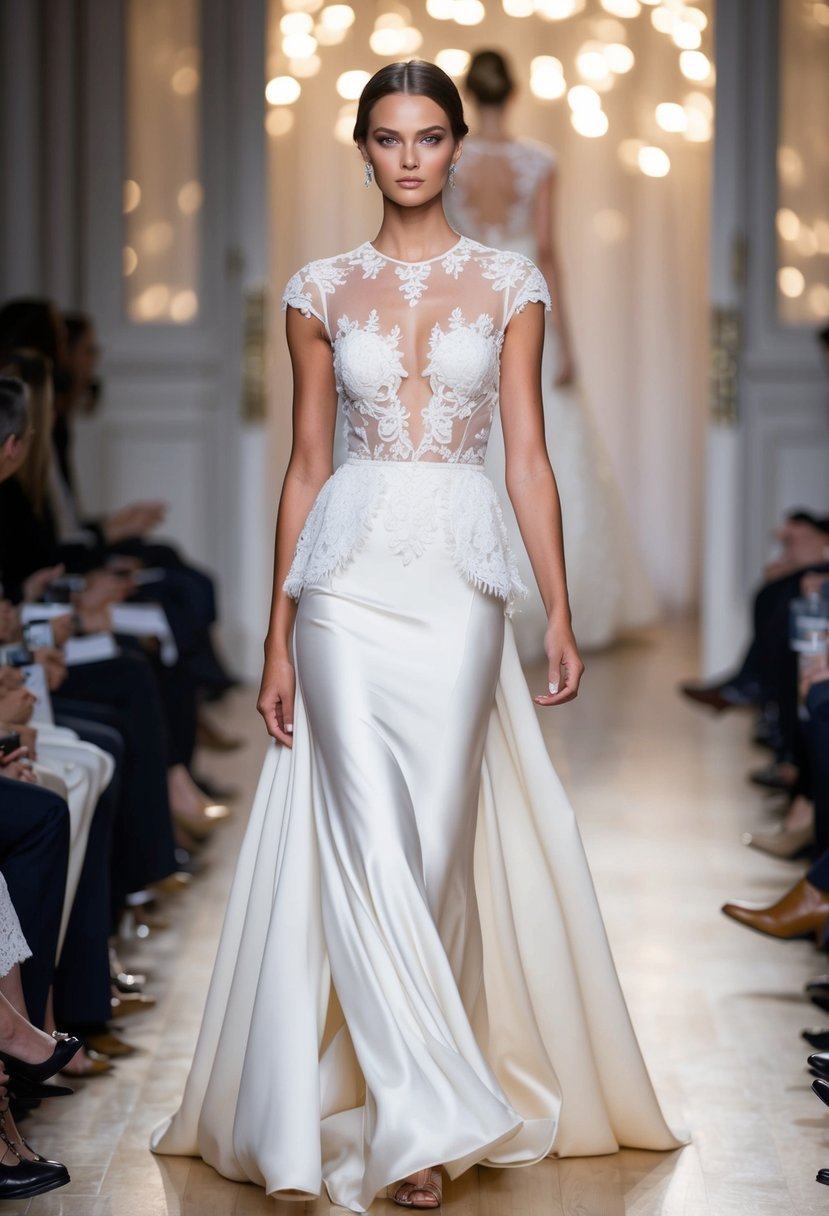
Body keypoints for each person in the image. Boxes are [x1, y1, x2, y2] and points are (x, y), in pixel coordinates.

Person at [151, 61, 680, 1211]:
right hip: (345, 575)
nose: (408, 157)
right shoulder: (317, 289)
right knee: (365, 842)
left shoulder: (508, 282)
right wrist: (281, 634)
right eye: (388, 137)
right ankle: (420, 1119)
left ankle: (419, 1084)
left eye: (429, 137)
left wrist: (559, 610)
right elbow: (304, 465)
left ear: (453, 147)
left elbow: (529, 458)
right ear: (362, 148)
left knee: (430, 850)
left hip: (457, 578)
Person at [445, 49, 657, 659]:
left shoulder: (449, 157)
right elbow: (546, 249)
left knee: (473, 445)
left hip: (462, 308)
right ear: (511, 94)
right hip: (521, 307)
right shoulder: (537, 162)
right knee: (540, 448)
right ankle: (548, 601)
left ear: (465, 93)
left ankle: (477, 590)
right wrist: (564, 337)